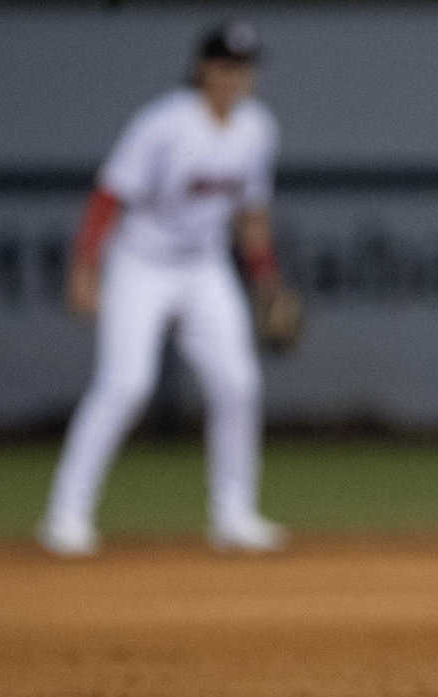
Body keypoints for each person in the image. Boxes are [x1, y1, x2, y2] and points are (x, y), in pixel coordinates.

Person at [38, 20, 289, 556]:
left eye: (245, 68)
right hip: (141, 263)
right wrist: (86, 270)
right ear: (203, 68)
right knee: (125, 386)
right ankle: (65, 515)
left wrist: (267, 282)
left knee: (239, 385)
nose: (235, 78)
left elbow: (252, 214)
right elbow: (109, 196)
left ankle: (234, 516)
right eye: (226, 66)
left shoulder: (257, 129)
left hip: (205, 266)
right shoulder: (163, 123)